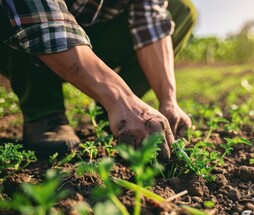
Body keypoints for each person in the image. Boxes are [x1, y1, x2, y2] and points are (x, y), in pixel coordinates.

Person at [0, 0, 196, 159]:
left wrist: (168, 100)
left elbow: (150, 21)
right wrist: (120, 98)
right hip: (29, 23)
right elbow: (40, 21)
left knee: (180, 8)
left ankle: (115, 117)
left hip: (86, 33)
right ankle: (44, 114)